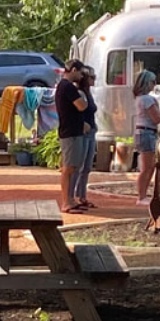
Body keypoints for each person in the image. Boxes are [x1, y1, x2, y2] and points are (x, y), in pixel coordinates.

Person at [55, 59, 88, 214]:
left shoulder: (66, 86)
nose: (81, 76)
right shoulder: (67, 86)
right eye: (80, 73)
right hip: (70, 133)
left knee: (73, 166)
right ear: (73, 70)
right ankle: (66, 202)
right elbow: (81, 106)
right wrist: (84, 97)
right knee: (68, 168)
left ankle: (70, 199)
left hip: (73, 131)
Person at [133, 70, 160, 206]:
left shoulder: (139, 98)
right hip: (147, 132)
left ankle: (143, 194)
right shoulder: (147, 99)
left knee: (149, 166)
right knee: (147, 167)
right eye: (152, 82)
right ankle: (141, 196)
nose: (154, 84)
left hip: (143, 132)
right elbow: (156, 118)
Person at [72, 65, 98, 208]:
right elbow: (77, 112)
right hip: (84, 133)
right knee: (79, 166)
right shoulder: (80, 93)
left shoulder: (88, 93)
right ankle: (74, 196)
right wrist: (83, 124)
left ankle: (82, 196)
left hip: (91, 131)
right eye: (92, 77)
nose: (94, 80)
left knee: (87, 166)